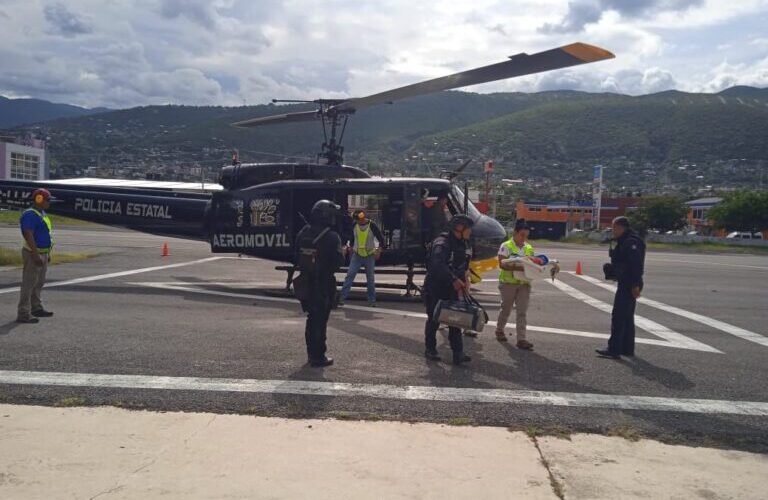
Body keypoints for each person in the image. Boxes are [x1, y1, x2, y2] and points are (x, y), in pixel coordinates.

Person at [295, 200, 345, 367]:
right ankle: (318, 356)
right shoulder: (332, 236)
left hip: (305, 282)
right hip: (323, 282)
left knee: (311, 318)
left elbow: (296, 256)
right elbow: (338, 263)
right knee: (320, 320)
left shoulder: (303, 232)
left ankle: (311, 353)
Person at [423, 214, 474, 365]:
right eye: (468, 228)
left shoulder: (461, 243)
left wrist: (463, 278)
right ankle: (430, 349)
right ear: (459, 228)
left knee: (455, 320)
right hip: (435, 287)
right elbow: (437, 266)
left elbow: (461, 264)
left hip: (451, 287)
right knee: (434, 319)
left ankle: (458, 353)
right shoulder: (442, 243)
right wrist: (453, 279)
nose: (470, 231)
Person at [596, 216, 646, 359]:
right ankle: (627, 348)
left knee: (618, 316)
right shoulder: (626, 240)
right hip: (628, 282)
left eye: (614, 228)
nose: (613, 231)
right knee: (627, 317)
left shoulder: (631, 242)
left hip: (630, 283)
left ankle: (614, 349)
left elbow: (635, 266)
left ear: (620, 227)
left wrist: (635, 285)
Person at [495, 218, 535, 349]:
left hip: (524, 284)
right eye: (522, 235)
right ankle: (499, 330)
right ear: (515, 233)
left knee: (522, 312)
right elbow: (502, 264)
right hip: (508, 283)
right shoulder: (506, 246)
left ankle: (521, 339)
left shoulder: (529, 248)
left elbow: (533, 264)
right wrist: (519, 267)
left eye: (526, 236)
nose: (524, 238)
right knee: (506, 309)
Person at [17, 188, 55, 324]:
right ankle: (23, 313)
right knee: (29, 283)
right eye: (48, 200)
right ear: (39, 199)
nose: (49, 203)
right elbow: (28, 234)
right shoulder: (30, 214)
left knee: (39, 283)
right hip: (34, 253)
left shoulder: (42, 214)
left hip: (42, 253)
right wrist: (35, 253)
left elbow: (45, 234)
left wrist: (47, 253)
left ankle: (36, 308)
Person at [338, 210, 385, 307]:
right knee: (349, 276)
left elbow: (381, 240)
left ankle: (371, 300)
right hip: (357, 254)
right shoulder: (355, 224)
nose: (359, 222)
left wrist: (378, 251)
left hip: (369, 255)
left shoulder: (372, 225)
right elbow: (352, 238)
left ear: (363, 218)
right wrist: (348, 247)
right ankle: (341, 298)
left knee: (370, 279)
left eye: (359, 220)